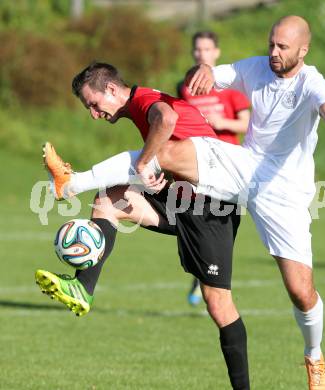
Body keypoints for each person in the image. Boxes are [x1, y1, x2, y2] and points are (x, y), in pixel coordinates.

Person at [41, 16, 325, 389]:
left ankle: (314, 356)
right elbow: (216, 72)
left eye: (282, 47)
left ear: (303, 50)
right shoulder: (257, 66)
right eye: (271, 43)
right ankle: (83, 287)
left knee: (296, 291)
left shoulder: (311, 81)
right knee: (109, 201)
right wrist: (205, 67)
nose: (273, 52)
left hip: (268, 192)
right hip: (237, 170)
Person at [36, 63, 250, 390]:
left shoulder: (145, 100)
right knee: (108, 200)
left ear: (111, 89)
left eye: (94, 104)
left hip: (211, 205)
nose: (94, 114)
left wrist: (143, 163)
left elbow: (167, 120)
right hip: (181, 195)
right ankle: (82, 288)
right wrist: (148, 169)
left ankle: (72, 181)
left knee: (218, 304)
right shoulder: (140, 106)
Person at [177, 30, 250, 305]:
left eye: (206, 49)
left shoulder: (231, 88)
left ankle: (206, 276)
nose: (201, 54)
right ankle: (203, 275)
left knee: (225, 226)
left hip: (229, 168)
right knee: (198, 222)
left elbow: (246, 124)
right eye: (197, 50)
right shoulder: (185, 87)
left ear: (216, 53)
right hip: (197, 166)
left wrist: (221, 122)